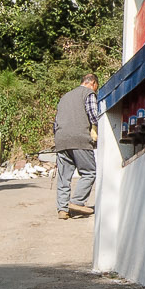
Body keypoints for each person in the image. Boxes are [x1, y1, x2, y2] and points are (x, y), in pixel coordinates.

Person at [52, 73, 102, 220]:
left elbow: (56, 122)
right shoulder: (88, 94)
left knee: (64, 177)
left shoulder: (64, 97)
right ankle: (77, 202)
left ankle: (63, 210)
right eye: (96, 87)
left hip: (61, 140)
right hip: (80, 139)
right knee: (89, 172)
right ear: (93, 83)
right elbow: (94, 116)